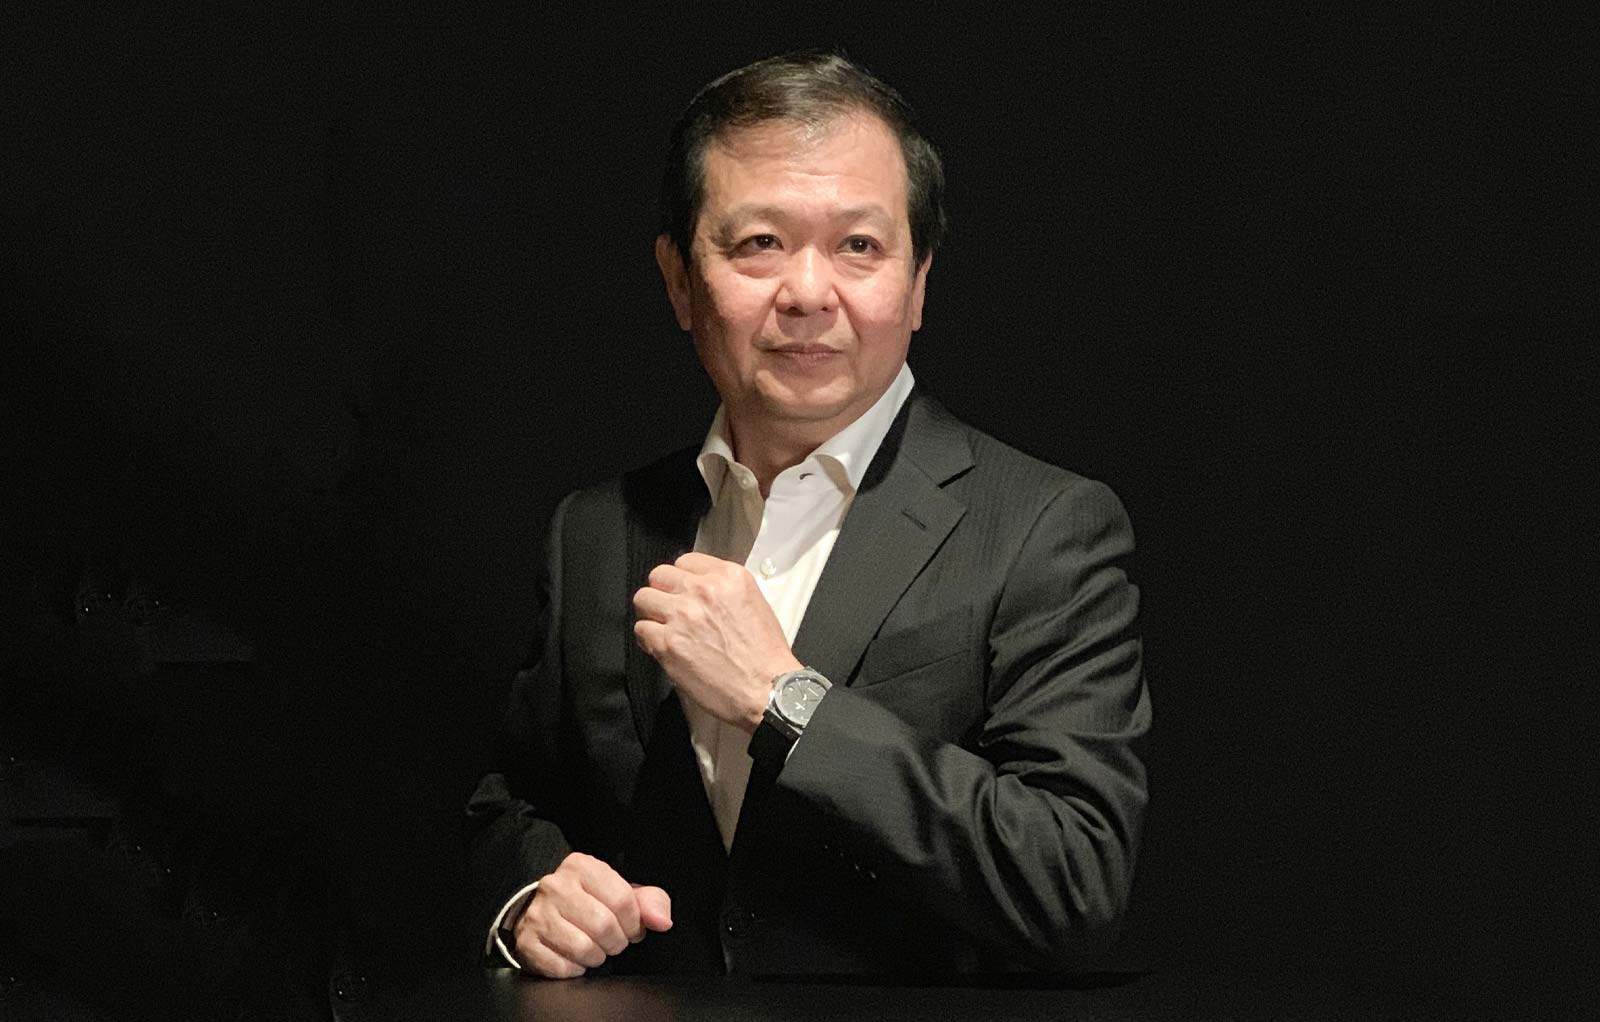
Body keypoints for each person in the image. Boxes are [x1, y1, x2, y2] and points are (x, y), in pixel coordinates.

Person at [465, 50, 1150, 979]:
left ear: (918, 285)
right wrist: (533, 892)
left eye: (859, 246)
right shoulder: (595, 529)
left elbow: (1074, 881)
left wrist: (783, 703)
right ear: (678, 281)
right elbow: (507, 802)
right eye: (758, 245)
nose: (807, 293)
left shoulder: (1045, 527)